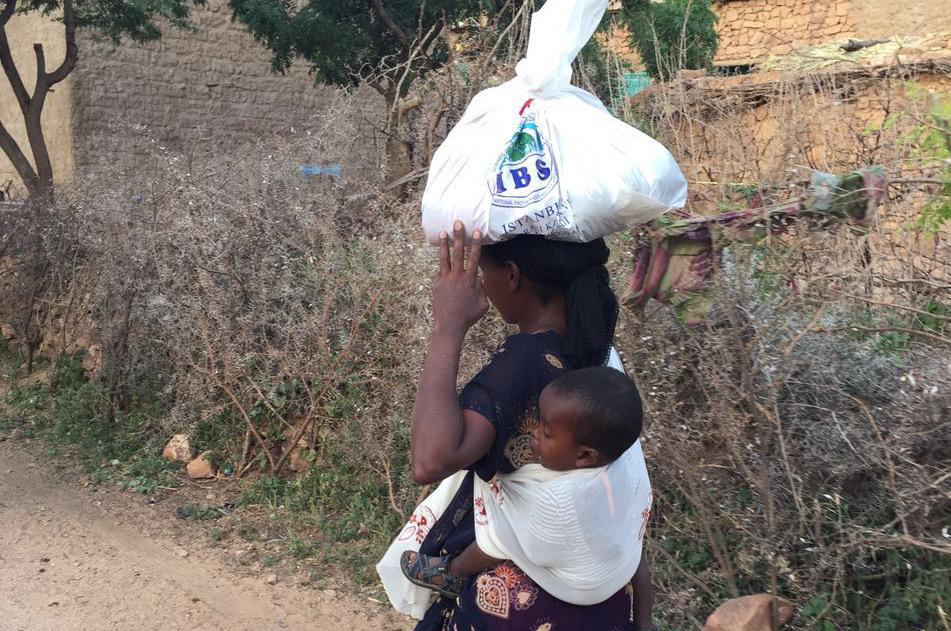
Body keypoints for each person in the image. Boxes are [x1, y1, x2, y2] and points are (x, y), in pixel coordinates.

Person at [403, 221, 655, 631]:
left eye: (485, 272)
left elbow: (428, 462)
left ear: (513, 275)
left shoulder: (522, 362)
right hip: (606, 603)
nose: (483, 284)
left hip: (520, 610)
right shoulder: (599, 350)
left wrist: (447, 326)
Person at [400, 366, 645, 597]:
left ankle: (452, 574)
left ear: (584, 456)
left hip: (583, 586)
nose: (536, 431)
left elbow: (504, 541)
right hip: (624, 557)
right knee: (630, 527)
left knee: (502, 535)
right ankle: (644, 620)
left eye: (547, 433)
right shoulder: (623, 452)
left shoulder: (558, 502)